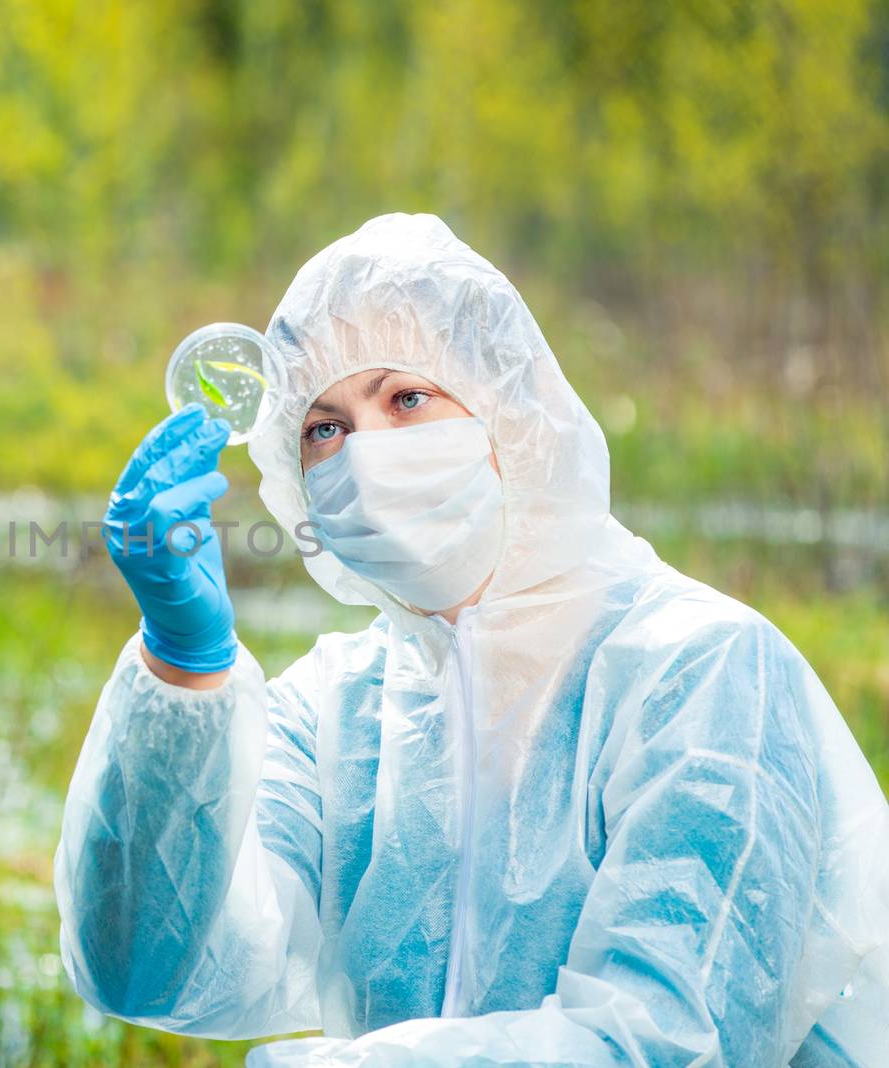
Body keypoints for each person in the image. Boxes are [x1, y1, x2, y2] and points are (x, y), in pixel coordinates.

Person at [53, 213, 889, 1066]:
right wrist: (181, 671)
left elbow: (671, 1040)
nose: (365, 457)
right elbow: (146, 970)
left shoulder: (702, 671)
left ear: (509, 412)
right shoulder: (337, 711)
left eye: (407, 399)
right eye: (324, 428)